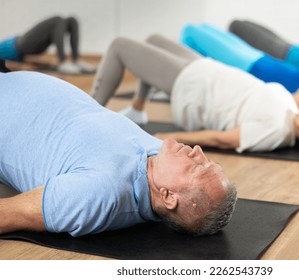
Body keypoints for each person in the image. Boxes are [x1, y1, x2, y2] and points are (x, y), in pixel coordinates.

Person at [0, 62, 237, 237]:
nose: (197, 150)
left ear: (168, 196)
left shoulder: (99, 194)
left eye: (197, 168)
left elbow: (8, 214)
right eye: (208, 161)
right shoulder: (160, 158)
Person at [91, 35, 299, 153]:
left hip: (193, 88)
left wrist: (166, 138)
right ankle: (138, 108)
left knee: (120, 45)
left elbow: (221, 139)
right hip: (207, 71)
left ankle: (90, 120)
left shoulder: (276, 132)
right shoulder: (292, 111)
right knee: (153, 40)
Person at [181, 23, 299, 110]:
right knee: (205, 28)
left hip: (247, 66)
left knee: (191, 32)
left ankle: (181, 74)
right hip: (258, 56)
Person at [0, 16, 94, 74]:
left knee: (71, 20)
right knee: (58, 20)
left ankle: (76, 60)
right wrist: (21, 66)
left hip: (19, 45)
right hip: (18, 47)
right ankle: (63, 61)